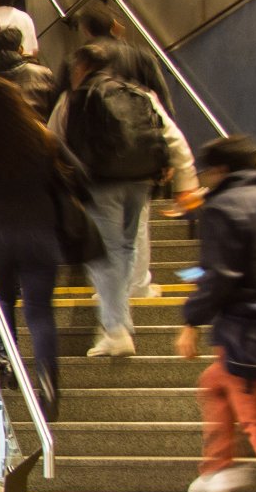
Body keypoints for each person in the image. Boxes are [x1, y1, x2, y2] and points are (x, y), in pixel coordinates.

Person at [51, 42, 197, 357]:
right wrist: (187, 183)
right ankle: (120, 318)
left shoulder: (74, 98)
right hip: (140, 183)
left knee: (104, 256)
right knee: (125, 249)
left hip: (101, 185)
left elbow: (52, 141)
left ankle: (116, 330)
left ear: (81, 67)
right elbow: (174, 138)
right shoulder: (140, 94)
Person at [176, 137, 256, 492]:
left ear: (217, 171)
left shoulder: (222, 209)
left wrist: (190, 321)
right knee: (215, 382)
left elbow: (219, 276)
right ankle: (217, 468)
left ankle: (220, 469)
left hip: (249, 328)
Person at [0, 71, 82, 407]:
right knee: (40, 311)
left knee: (1, 305)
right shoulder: (43, 139)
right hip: (39, 235)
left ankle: (8, 369)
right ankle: (48, 384)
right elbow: (79, 177)